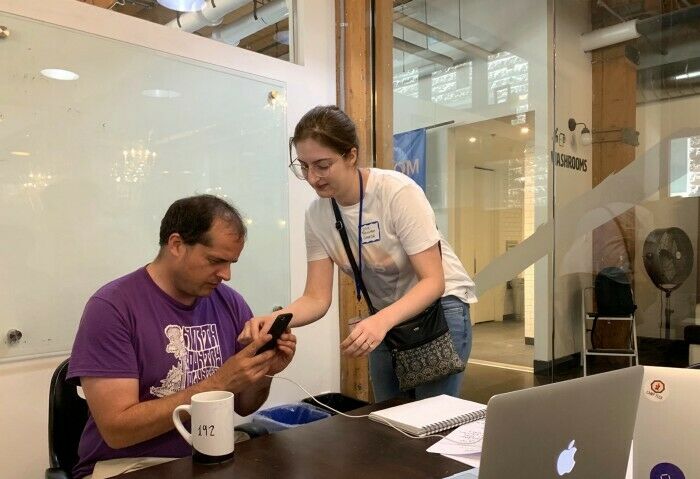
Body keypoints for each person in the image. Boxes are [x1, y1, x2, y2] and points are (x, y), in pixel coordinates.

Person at [240, 105, 476, 401]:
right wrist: (276, 320)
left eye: (322, 165)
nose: (313, 177)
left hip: (439, 308)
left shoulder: (396, 192)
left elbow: (433, 281)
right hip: (387, 317)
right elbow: (316, 298)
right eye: (304, 166)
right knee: (387, 417)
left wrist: (380, 320)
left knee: (431, 420)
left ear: (351, 155)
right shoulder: (317, 215)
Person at [67, 195, 296, 479]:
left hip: (207, 461)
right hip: (128, 466)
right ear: (176, 244)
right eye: (215, 261)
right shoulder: (112, 308)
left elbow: (244, 405)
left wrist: (264, 371)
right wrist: (220, 381)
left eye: (231, 262)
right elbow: (117, 431)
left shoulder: (229, 303)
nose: (226, 274)